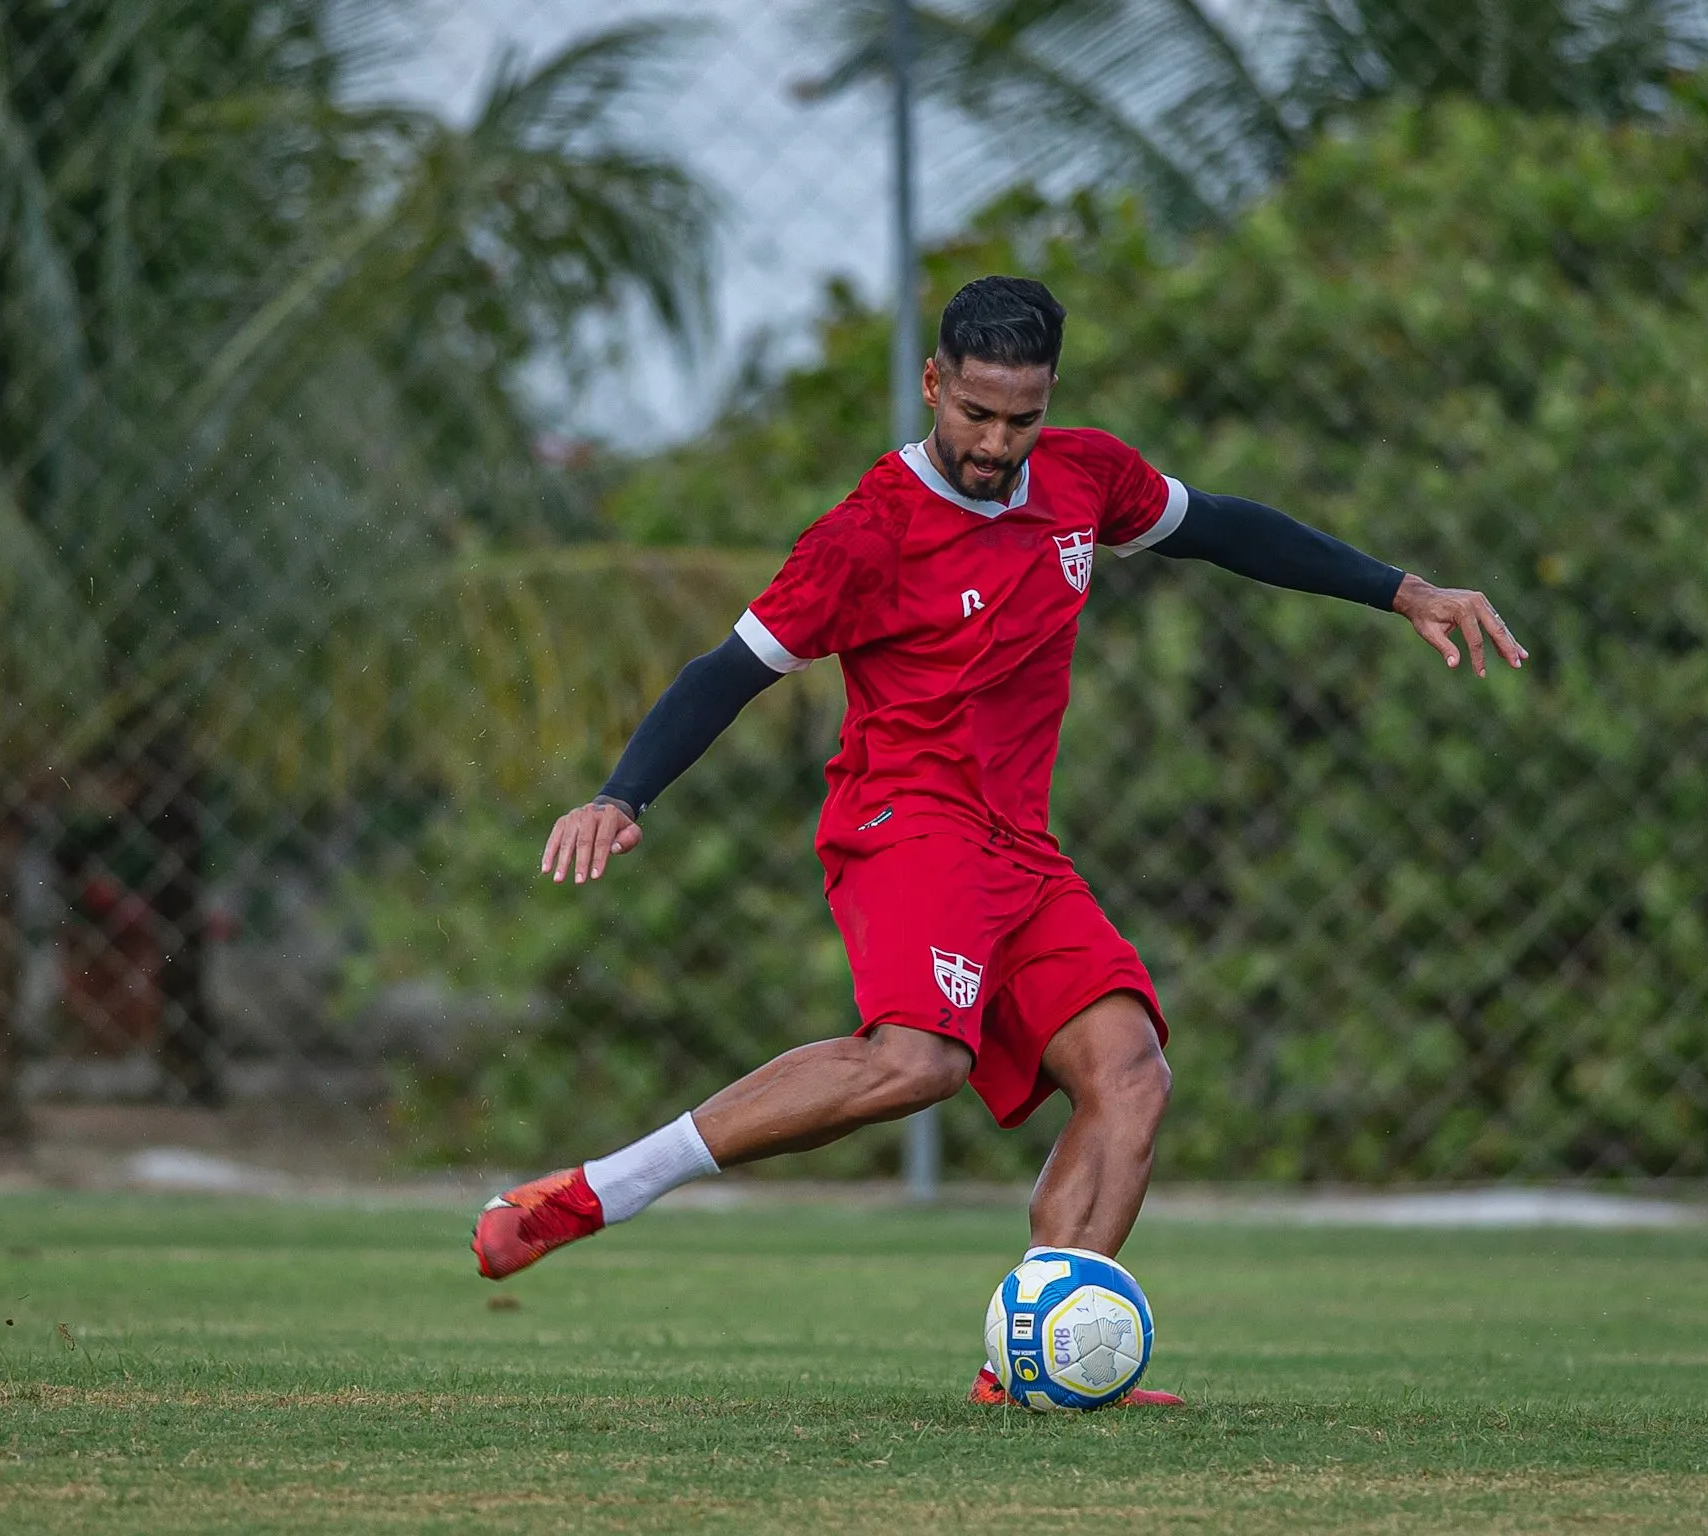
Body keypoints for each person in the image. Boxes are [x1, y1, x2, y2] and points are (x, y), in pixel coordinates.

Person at [472, 276, 1526, 1407]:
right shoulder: (866, 534)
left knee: (1129, 1074)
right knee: (919, 1060)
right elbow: (724, 674)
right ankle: (597, 1192)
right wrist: (620, 796)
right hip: (902, 822)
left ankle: (1027, 1364)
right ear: (934, 384)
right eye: (974, 414)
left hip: (1018, 846)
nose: (995, 442)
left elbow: (1220, 527)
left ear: (1047, 400)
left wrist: (1400, 589)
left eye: (1019, 418)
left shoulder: (1082, 478)